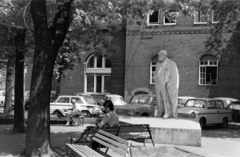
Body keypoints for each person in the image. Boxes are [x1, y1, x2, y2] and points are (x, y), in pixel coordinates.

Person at [153, 50, 179, 119]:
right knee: (159, 98)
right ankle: (160, 112)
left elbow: (174, 74)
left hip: (165, 83)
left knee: (165, 98)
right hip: (158, 82)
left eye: (160, 55)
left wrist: (170, 82)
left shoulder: (171, 63)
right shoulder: (158, 63)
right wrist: (155, 76)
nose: (158, 57)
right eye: (158, 55)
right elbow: (156, 72)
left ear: (164, 55)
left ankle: (167, 113)